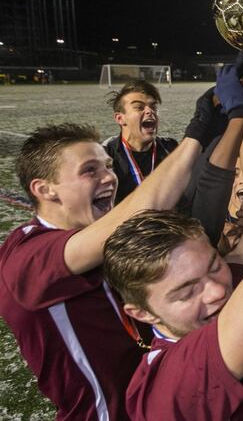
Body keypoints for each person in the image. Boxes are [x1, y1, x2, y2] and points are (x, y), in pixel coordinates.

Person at [103, 39, 243, 420]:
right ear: (140, 313)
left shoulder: (218, 295)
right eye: (187, 290)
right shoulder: (174, 384)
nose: (219, 289)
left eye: (212, 265)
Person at [0, 81, 226, 420]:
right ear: (44, 189)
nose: (109, 177)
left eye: (107, 166)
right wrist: (197, 131)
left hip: (153, 396)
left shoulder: (91, 234)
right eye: (90, 171)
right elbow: (148, 205)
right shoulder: (27, 256)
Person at [103, 81, 178, 204]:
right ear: (120, 118)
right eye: (139, 107)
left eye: (153, 107)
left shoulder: (171, 148)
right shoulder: (106, 155)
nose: (150, 111)